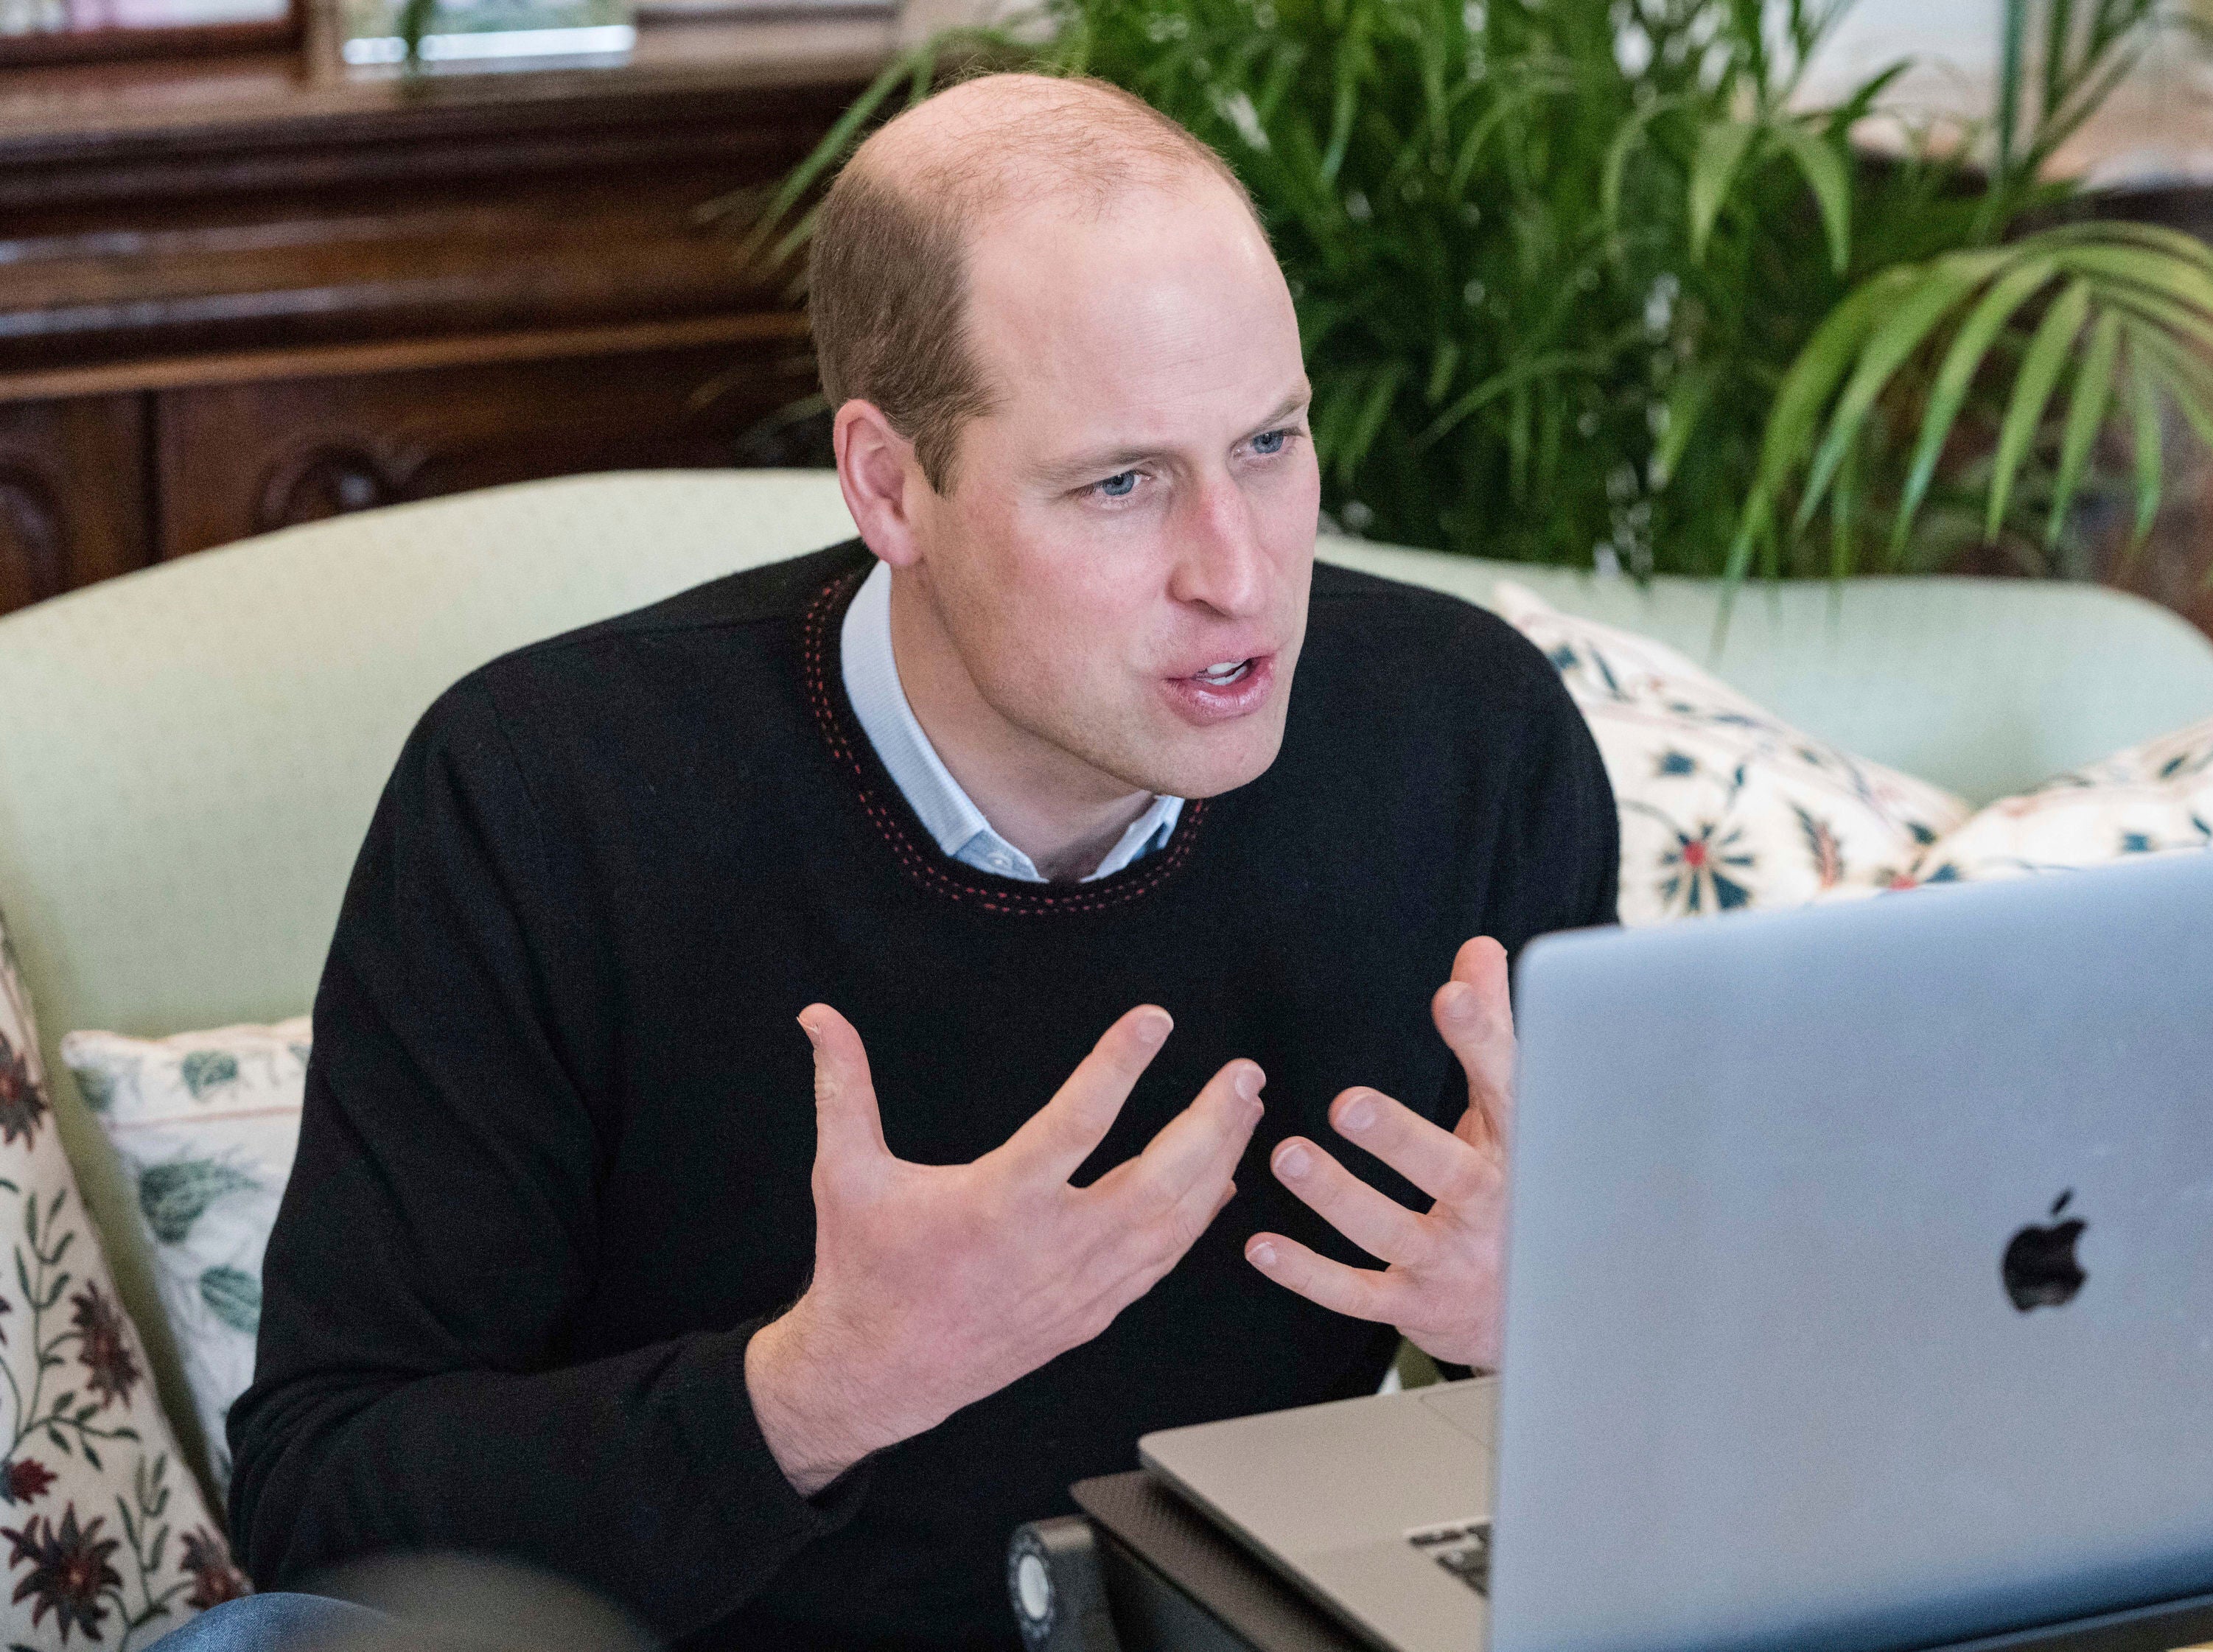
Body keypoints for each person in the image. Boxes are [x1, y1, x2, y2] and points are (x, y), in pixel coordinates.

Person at [216, 70, 1618, 1651]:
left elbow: (1665, 1451)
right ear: (891, 485)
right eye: (1121, 482)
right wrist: (820, 1386)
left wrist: (1558, 1331)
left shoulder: (1468, 735)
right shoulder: (547, 790)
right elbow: (318, 1497)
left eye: (1270, 443)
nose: (1241, 575)